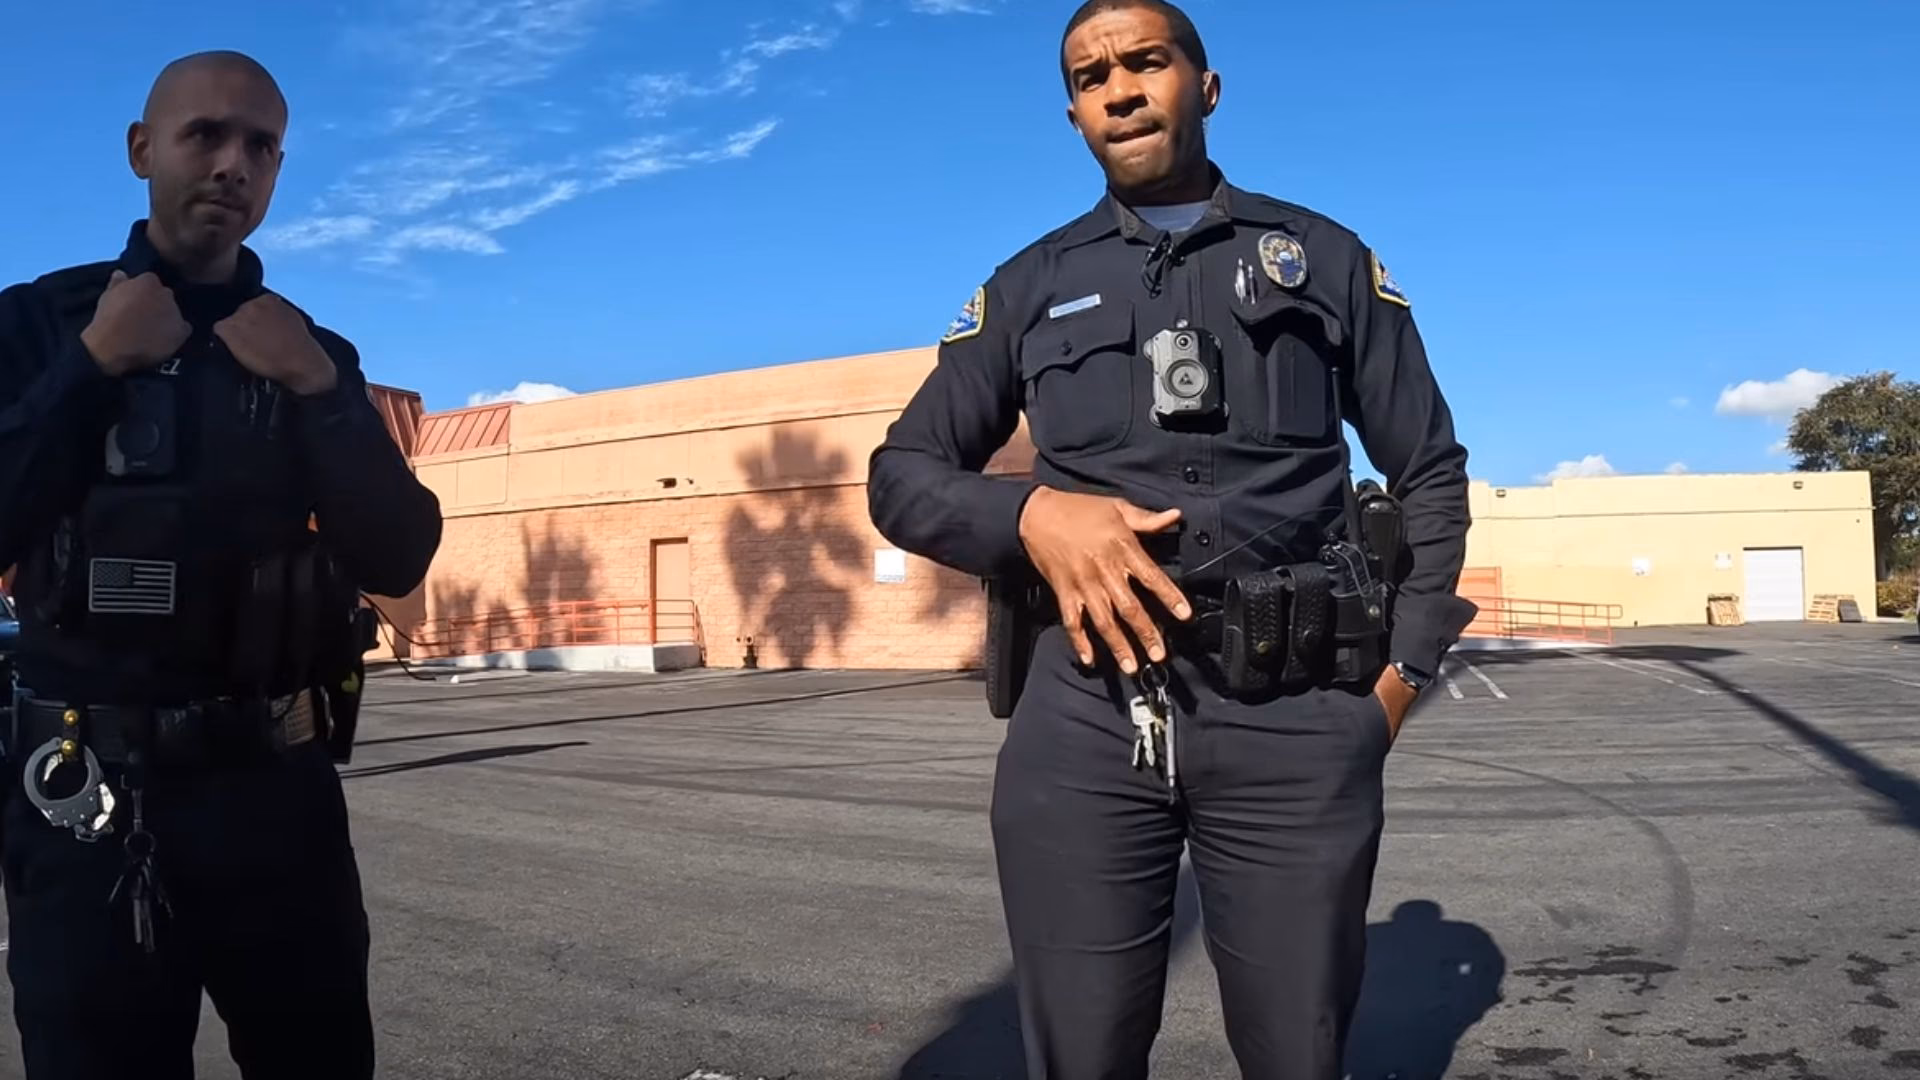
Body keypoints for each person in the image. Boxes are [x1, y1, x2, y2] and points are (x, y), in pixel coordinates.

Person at [866, 2, 1478, 1077]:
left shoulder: (1324, 260)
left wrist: (1397, 683)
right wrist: (1029, 514)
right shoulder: (1027, 287)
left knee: (1301, 1049)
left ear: (1205, 85)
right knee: (1083, 1052)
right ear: (1073, 114)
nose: (1121, 86)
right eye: (1093, 75)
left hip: (1296, 712)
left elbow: (1425, 467)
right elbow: (901, 478)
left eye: (1146, 61)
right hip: (1086, 716)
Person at [0, 50, 442, 1079]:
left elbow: (398, 552)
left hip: (274, 792)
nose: (234, 163)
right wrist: (93, 366)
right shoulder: (33, 325)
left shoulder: (309, 347)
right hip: (86, 795)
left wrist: (322, 388)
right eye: (206, 134)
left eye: (262, 146)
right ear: (142, 150)